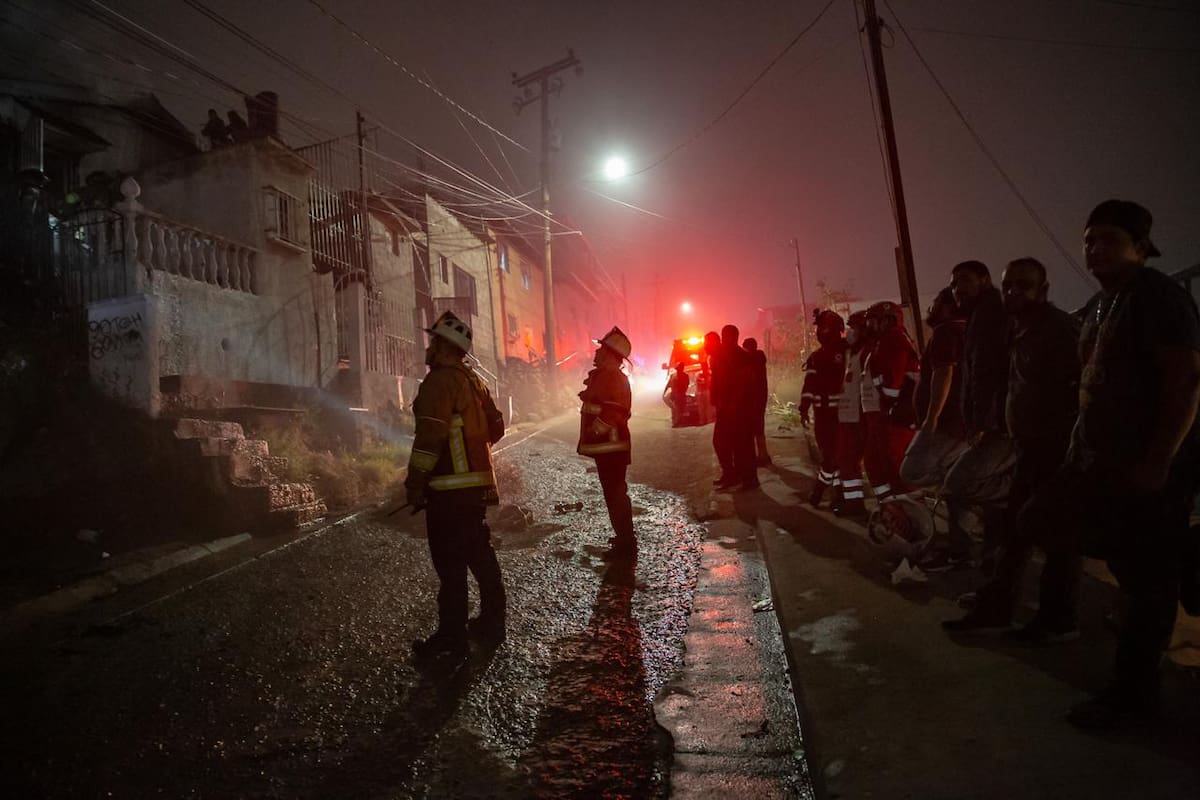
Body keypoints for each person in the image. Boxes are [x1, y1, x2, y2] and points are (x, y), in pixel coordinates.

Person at [1041, 201, 1200, 729]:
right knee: (1126, 568)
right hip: (1103, 465)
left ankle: (1135, 697)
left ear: (1140, 245)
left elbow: (1184, 383)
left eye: (1108, 239)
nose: (1094, 249)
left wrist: (1159, 460)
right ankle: (1131, 670)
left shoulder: (1158, 298)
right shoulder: (1105, 302)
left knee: (1150, 582)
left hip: (1149, 470)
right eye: (1089, 240)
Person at [942, 258, 1081, 639]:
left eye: (1023, 285)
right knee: (1015, 531)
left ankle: (1057, 620)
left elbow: (1079, 391)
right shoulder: (1021, 329)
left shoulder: (1057, 330)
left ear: (1043, 289)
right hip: (1028, 448)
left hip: (1055, 451)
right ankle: (997, 608)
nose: (1013, 293)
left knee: (1056, 536)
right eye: (1008, 286)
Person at [405, 311, 507, 662]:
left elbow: (429, 439)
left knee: (449, 566)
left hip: (448, 488)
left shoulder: (439, 382)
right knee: (479, 555)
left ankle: (452, 640)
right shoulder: (474, 381)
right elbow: (496, 429)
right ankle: (493, 623)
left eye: (433, 341)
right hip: (474, 486)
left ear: (443, 347)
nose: (428, 347)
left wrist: (415, 484)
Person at [921, 261, 1016, 573]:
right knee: (964, 487)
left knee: (961, 482)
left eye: (965, 280)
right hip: (985, 425)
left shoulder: (992, 315)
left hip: (1000, 427)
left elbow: (992, 375)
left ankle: (1006, 502)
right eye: (953, 283)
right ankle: (978, 555)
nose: (957, 288)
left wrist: (986, 423)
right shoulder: (977, 318)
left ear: (985, 280)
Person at [900, 287, 968, 490]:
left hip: (945, 424)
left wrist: (931, 419)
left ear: (948, 307)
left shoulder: (944, 332)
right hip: (956, 422)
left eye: (937, 302)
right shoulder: (964, 331)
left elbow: (943, 373)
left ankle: (955, 480)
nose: (932, 308)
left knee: (911, 470)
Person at [578, 326, 636, 560]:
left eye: (601, 349)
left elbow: (616, 411)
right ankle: (623, 537)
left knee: (615, 494)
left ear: (612, 354)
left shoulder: (612, 376)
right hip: (608, 448)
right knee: (613, 493)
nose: (597, 352)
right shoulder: (606, 376)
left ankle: (626, 544)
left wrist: (596, 429)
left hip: (611, 447)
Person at [861, 301, 920, 503]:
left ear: (887, 320)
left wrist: (877, 382)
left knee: (894, 465)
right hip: (880, 414)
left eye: (872, 321)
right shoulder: (885, 340)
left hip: (891, 415)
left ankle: (911, 513)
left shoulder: (892, 340)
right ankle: (889, 506)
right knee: (874, 462)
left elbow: (891, 388)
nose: (869, 326)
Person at [800, 309, 847, 507]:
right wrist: (804, 407)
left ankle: (817, 494)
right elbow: (809, 386)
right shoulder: (848, 350)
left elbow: (809, 385)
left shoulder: (821, 356)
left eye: (821, 327)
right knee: (836, 457)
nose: (818, 332)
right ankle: (838, 496)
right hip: (839, 415)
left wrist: (804, 408)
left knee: (830, 457)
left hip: (831, 417)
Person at [833, 311, 877, 517]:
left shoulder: (868, 352)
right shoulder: (854, 352)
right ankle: (853, 502)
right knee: (846, 460)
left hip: (859, 417)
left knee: (856, 460)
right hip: (849, 416)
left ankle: (858, 504)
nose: (850, 333)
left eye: (854, 328)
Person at [742, 337, 770, 465]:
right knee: (759, 427)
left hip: (756, 397)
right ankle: (763, 455)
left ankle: (763, 456)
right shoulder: (759, 356)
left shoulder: (756, 358)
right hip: (760, 396)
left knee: (757, 427)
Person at [668, 363, 690, 427]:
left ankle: (679, 421)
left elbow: (686, 384)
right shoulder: (674, 376)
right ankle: (677, 421)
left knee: (680, 408)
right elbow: (671, 385)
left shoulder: (684, 376)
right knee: (677, 408)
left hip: (681, 394)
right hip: (678, 394)